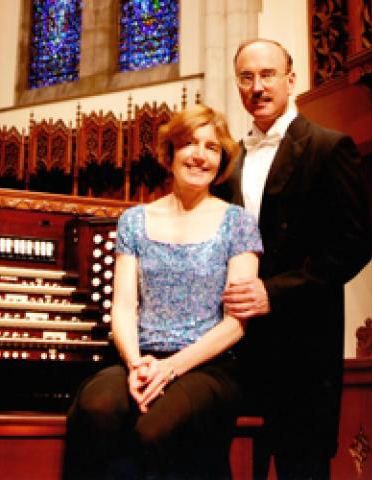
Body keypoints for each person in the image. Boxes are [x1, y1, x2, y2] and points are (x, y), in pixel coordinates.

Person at [62, 104, 263, 480]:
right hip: (142, 358)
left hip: (207, 365)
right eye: (189, 144)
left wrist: (170, 368)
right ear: (170, 153)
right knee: (96, 408)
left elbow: (236, 323)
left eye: (211, 147)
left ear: (221, 161)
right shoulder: (135, 220)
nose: (200, 155)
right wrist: (137, 364)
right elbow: (124, 307)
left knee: (156, 428)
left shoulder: (238, 222)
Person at [215, 39, 372, 480]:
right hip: (236, 348)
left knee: (301, 468)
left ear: (290, 79)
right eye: (246, 77)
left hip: (302, 349)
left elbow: (354, 245)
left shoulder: (329, 147)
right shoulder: (228, 161)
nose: (257, 87)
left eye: (267, 75)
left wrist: (274, 292)